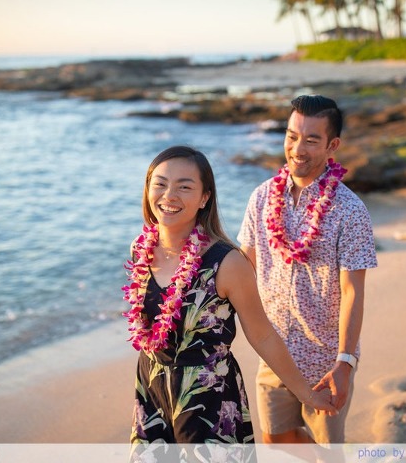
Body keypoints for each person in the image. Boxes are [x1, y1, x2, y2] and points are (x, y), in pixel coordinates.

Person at [124, 145, 335, 447]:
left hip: (208, 398)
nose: (169, 195)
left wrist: (307, 394)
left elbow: (262, 335)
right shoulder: (140, 250)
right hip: (152, 391)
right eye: (160, 183)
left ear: (204, 198)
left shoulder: (227, 263)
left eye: (185, 187)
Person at [238, 94, 378, 445]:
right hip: (273, 353)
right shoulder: (261, 198)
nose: (297, 148)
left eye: (311, 140)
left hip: (325, 362)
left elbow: (352, 292)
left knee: (329, 449)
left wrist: (344, 363)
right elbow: (242, 269)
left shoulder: (351, 210)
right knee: (275, 442)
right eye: (291, 136)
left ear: (333, 145)